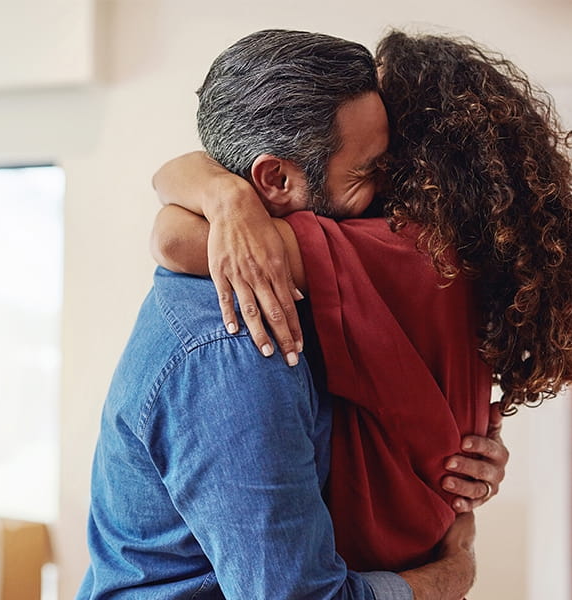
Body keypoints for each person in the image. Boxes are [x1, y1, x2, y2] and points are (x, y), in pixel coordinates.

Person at [151, 30, 572, 575]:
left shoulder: (405, 250)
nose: (373, 184)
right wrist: (224, 193)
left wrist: (224, 198)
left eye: (379, 166)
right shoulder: (450, 256)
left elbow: (173, 241)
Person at [79, 30, 499, 600]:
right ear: (275, 180)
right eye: (365, 172)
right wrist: (452, 575)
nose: (385, 196)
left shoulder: (303, 289)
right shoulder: (239, 342)